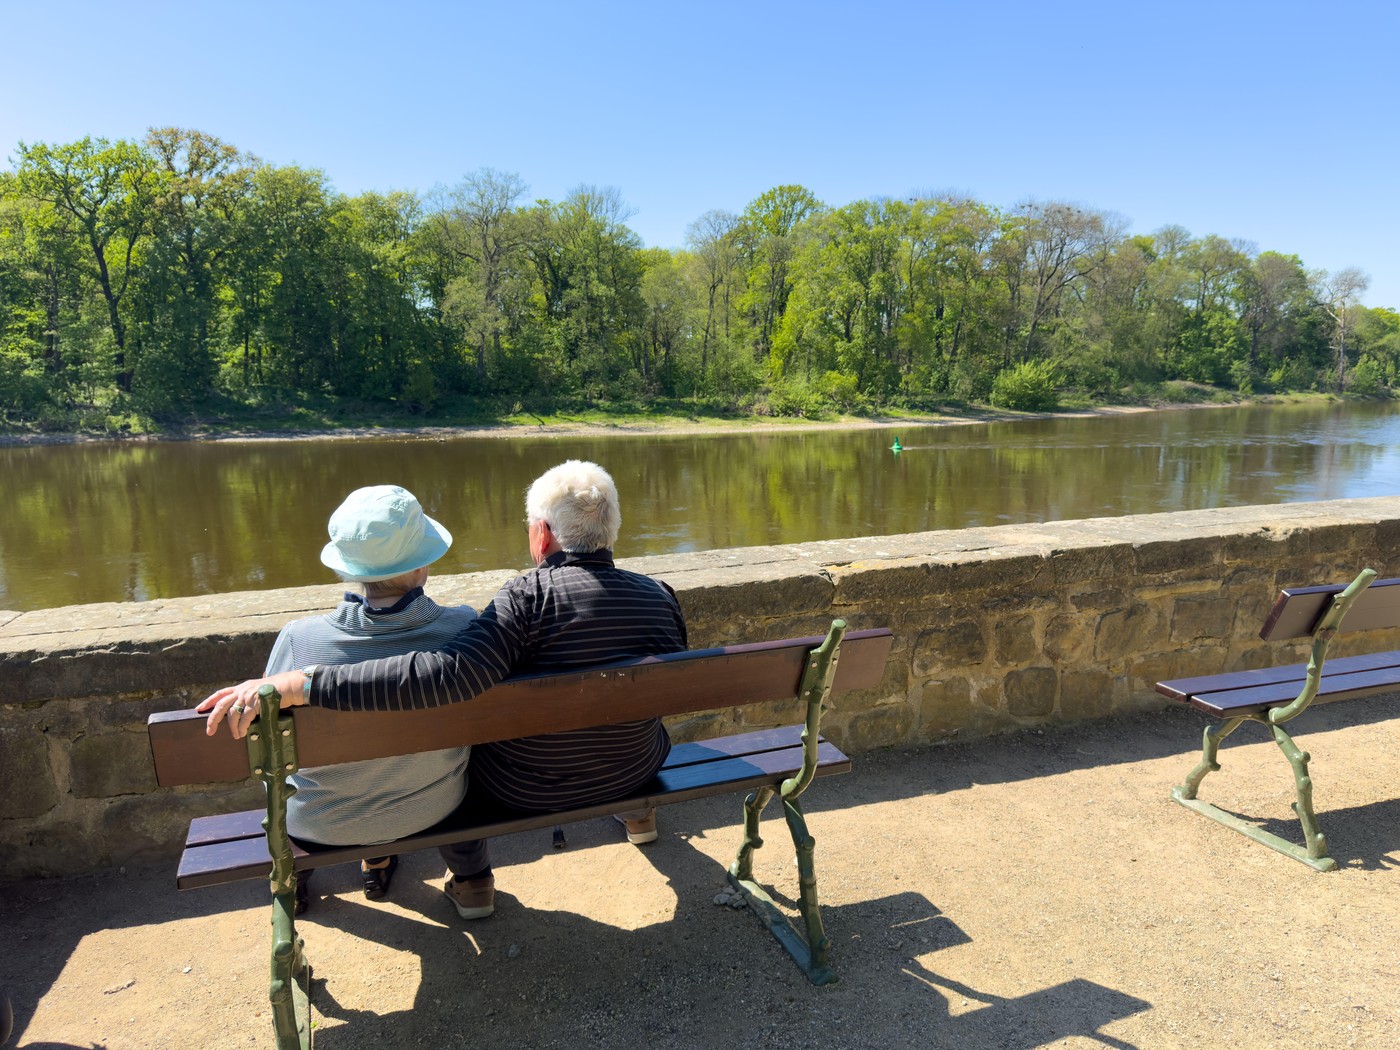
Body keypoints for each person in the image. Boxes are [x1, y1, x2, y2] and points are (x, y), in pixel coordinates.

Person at [198, 460, 688, 921]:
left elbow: (449, 676)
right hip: (637, 767)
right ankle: (637, 813)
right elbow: (661, 694)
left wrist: (303, 682)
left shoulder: (523, 601)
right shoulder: (661, 597)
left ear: (541, 534)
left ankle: (452, 876)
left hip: (522, 791)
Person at [261, 485, 477, 912]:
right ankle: (472, 881)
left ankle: (292, 881)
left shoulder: (300, 641)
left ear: (350, 568)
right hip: (434, 807)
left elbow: (269, 742)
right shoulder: (464, 628)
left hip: (319, 824)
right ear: (422, 567)